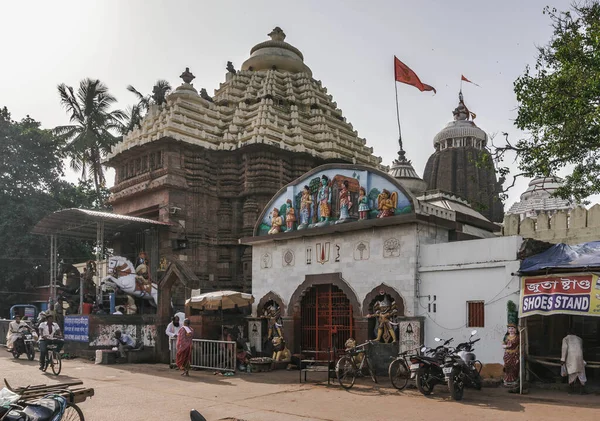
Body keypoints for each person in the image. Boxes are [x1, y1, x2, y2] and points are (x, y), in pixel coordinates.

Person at [561, 329, 587, 394]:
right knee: (581, 373)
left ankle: (571, 390)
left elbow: (564, 349)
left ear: (568, 333)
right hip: (580, 358)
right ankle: (582, 390)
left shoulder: (566, 339)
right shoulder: (580, 339)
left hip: (571, 358)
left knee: (572, 373)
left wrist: (562, 360)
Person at [502, 323, 520, 387]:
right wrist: (507, 346)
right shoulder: (506, 337)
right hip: (507, 354)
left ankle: (514, 380)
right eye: (509, 328)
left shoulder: (518, 337)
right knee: (507, 366)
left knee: (515, 366)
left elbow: (520, 345)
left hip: (515, 354)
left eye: (512, 328)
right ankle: (507, 380)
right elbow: (503, 345)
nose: (511, 330)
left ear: (515, 329)